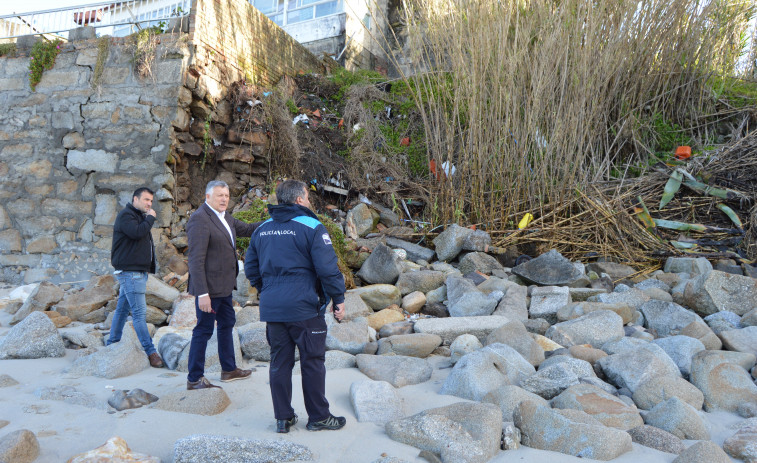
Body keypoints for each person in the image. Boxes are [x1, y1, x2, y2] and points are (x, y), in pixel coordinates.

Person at [244, 179, 346, 433]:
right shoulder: (312, 226)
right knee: (312, 361)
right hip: (305, 307)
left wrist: (267, 290)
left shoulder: (262, 229)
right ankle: (319, 417)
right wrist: (339, 299)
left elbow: (251, 269)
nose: (310, 202)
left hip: (273, 307)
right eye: (308, 197)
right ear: (299, 200)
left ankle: (283, 418)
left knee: (280, 362)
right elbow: (327, 269)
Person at [185, 180, 264, 390]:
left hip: (224, 288)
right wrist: (202, 293)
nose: (224, 199)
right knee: (203, 330)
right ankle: (194, 378)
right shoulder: (200, 219)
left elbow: (247, 229)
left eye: (227, 196)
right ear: (207, 197)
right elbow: (195, 260)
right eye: (219, 195)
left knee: (227, 325)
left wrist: (275, 219)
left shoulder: (224, 217)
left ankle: (229, 370)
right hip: (208, 290)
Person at [108, 187, 164, 368]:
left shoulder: (138, 217)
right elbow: (137, 233)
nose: (149, 204)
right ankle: (151, 352)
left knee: (122, 310)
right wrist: (151, 218)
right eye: (146, 200)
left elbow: (142, 242)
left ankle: (113, 344)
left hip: (137, 272)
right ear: (135, 199)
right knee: (139, 315)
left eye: (151, 201)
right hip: (130, 273)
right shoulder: (126, 216)